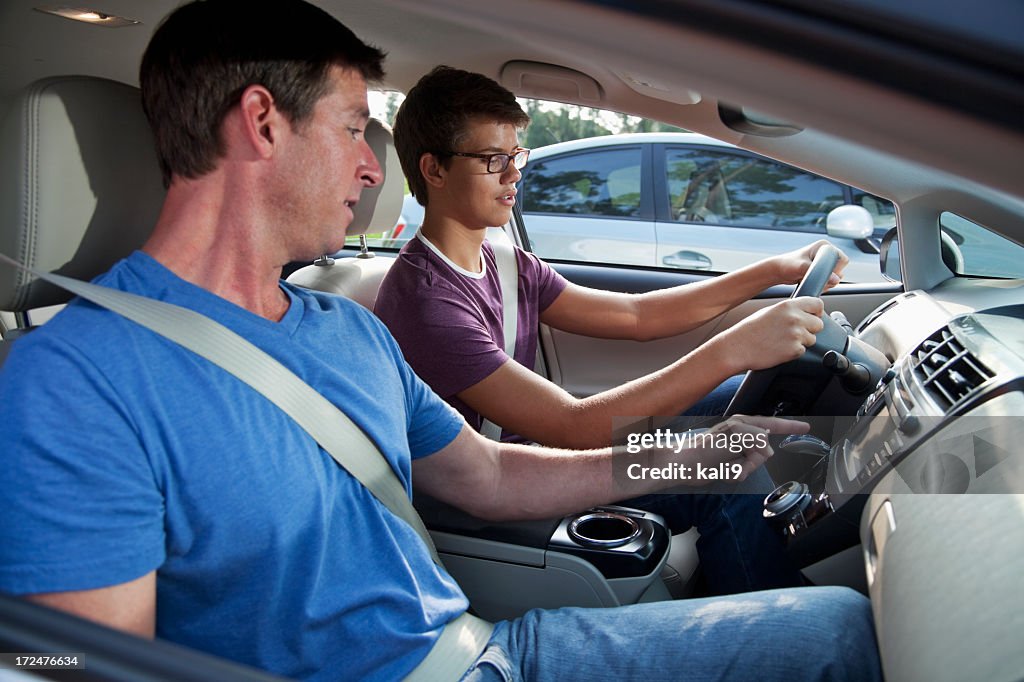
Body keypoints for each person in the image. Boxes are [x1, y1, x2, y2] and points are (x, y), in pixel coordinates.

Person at [0, 2, 882, 681]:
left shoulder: (347, 327)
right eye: (354, 126)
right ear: (262, 123)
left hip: (484, 647)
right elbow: (72, 666)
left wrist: (703, 455)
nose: (372, 165)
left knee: (839, 626)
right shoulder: (75, 379)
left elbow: (494, 475)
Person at [374, 66, 845, 594]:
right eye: (492, 161)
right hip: (511, 490)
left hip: (546, 457)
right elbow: (573, 427)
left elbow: (635, 316)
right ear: (433, 170)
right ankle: (774, 630)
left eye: (516, 156)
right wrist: (734, 347)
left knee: (740, 397)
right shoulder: (426, 303)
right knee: (727, 470)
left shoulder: (504, 261)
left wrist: (772, 271)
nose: (514, 175)